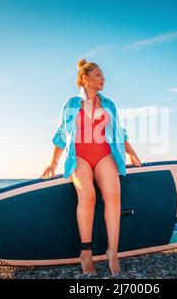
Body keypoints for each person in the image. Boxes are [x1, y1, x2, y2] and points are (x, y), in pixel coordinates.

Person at [41, 59, 141, 276]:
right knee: (87, 196)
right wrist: (53, 163)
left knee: (113, 195)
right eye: (98, 74)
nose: (103, 78)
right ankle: (85, 254)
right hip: (80, 156)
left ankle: (112, 253)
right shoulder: (70, 105)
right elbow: (61, 135)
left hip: (105, 154)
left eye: (103, 75)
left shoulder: (109, 104)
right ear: (85, 79)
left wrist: (131, 152)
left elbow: (119, 132)